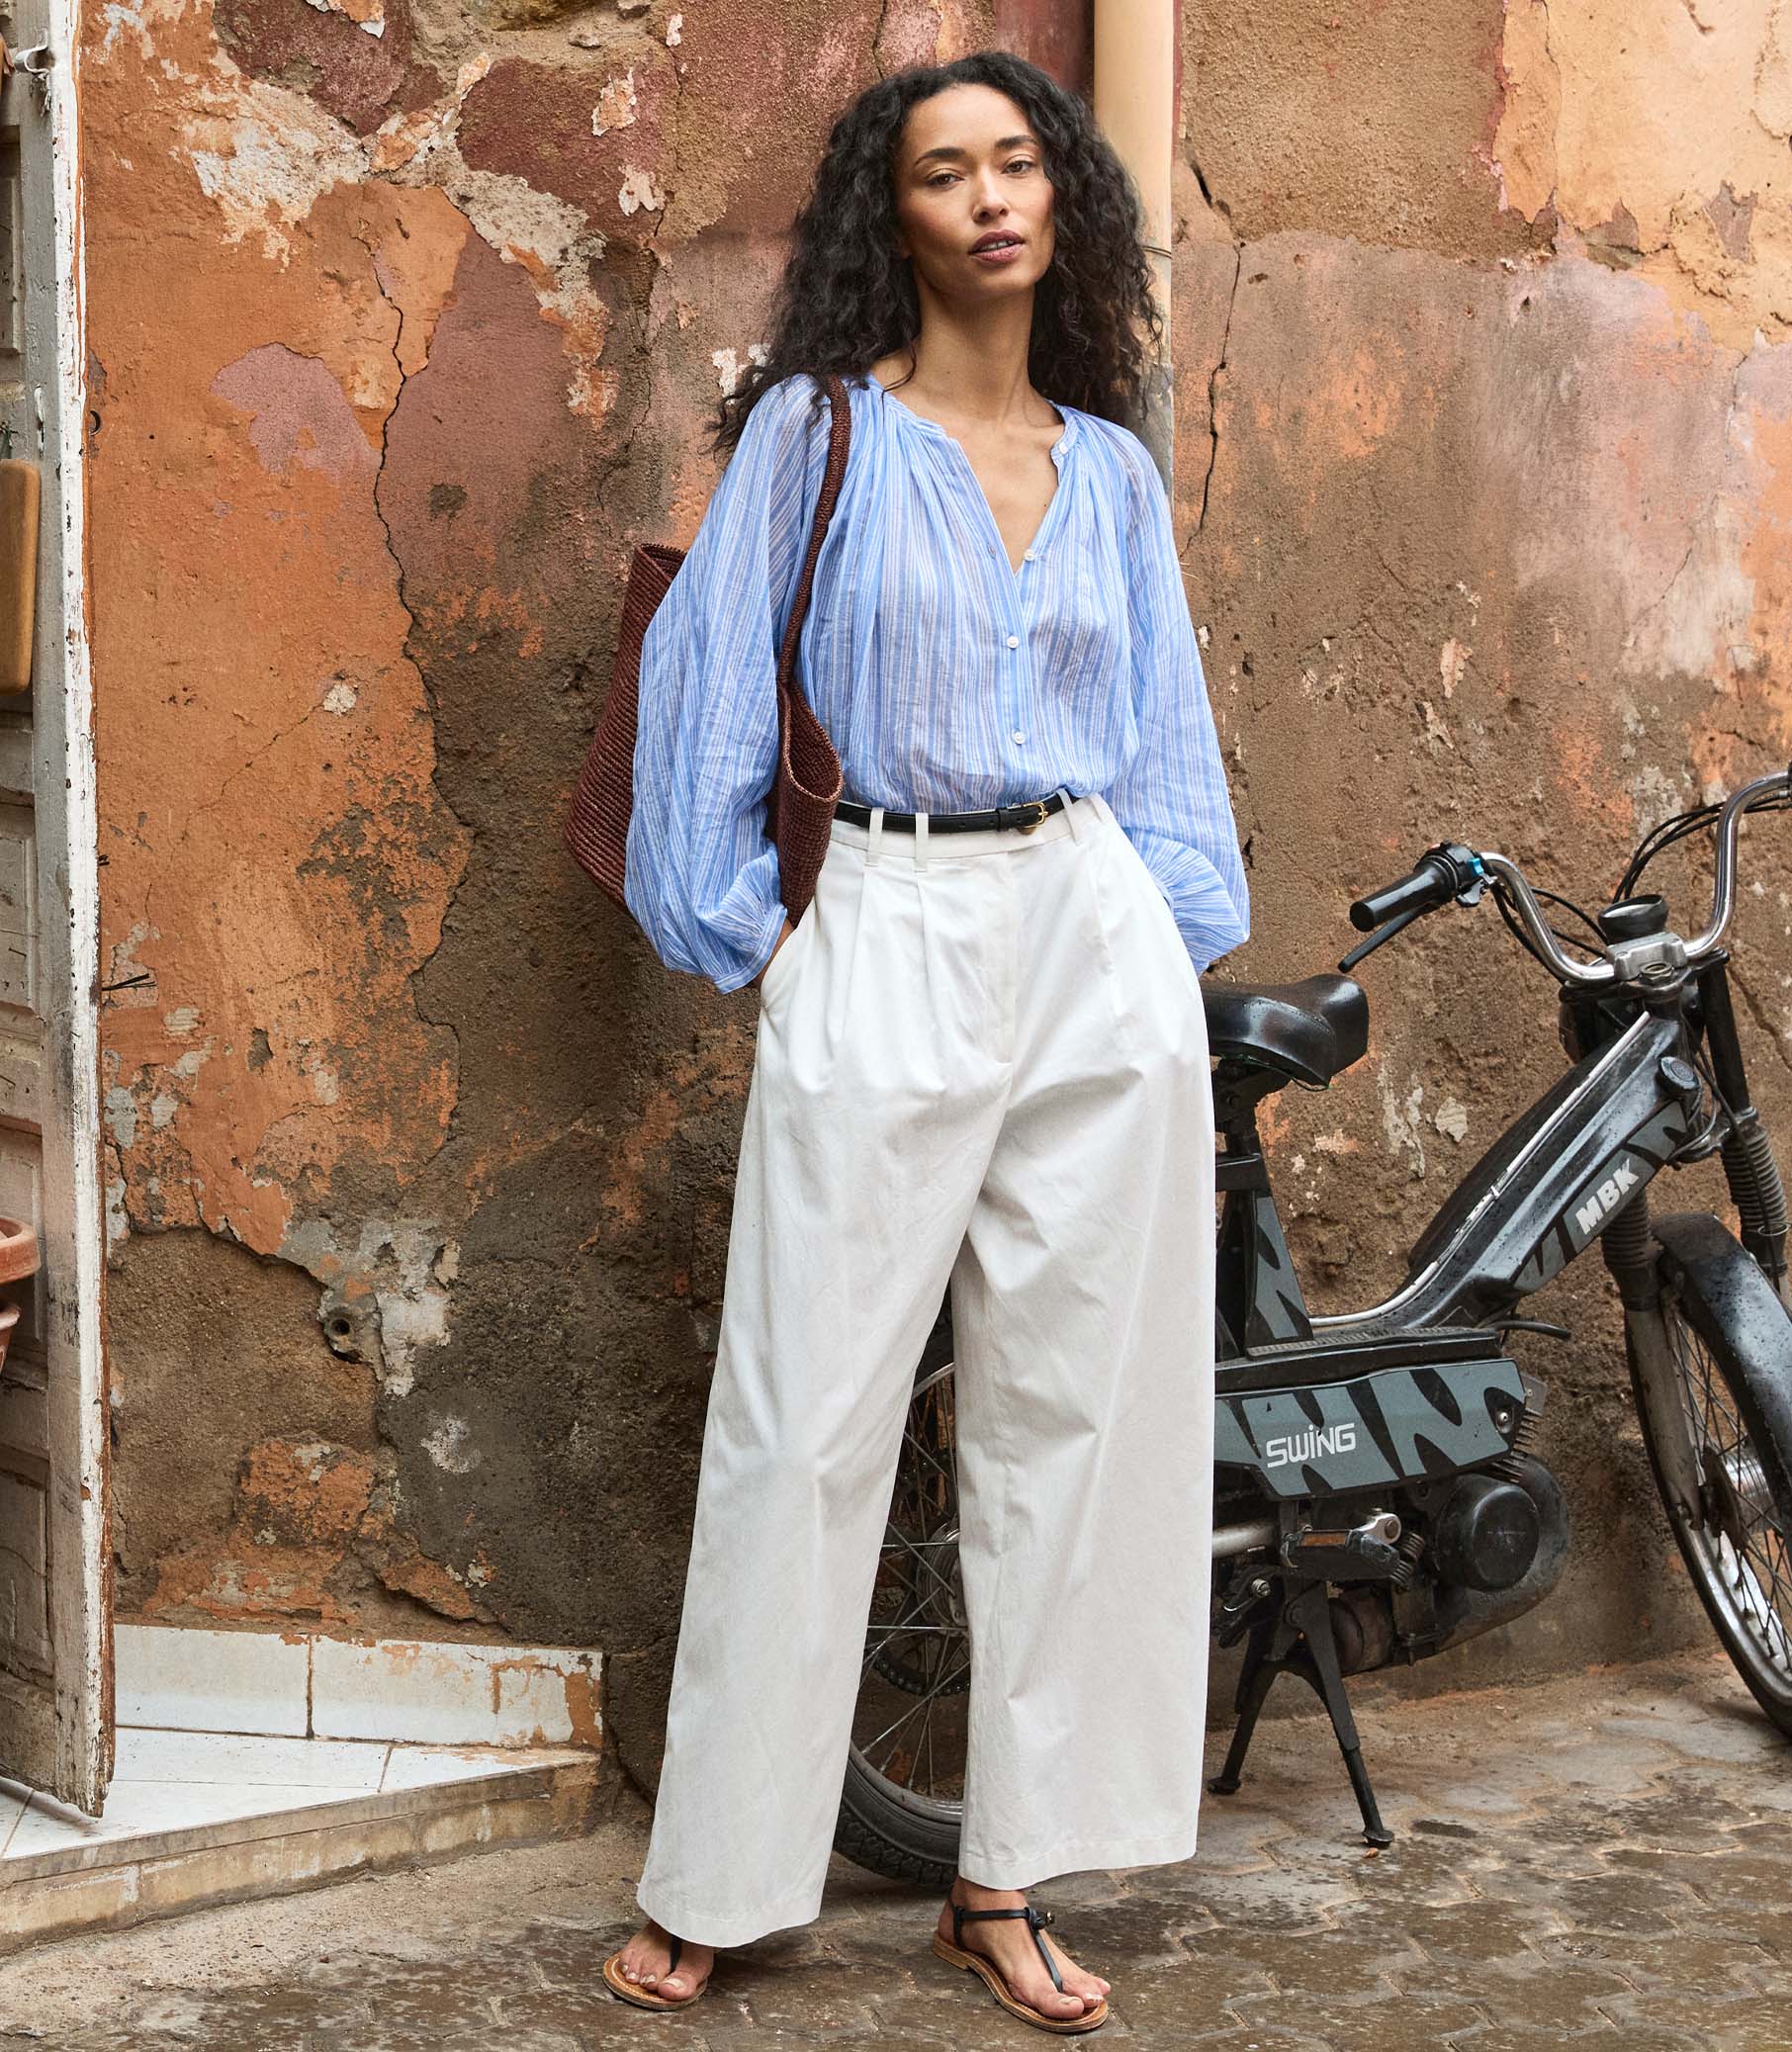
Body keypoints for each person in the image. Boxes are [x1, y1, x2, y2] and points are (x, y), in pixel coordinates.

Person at [604, 47, 1248, 2035]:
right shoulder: (819, 434)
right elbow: (707, 688)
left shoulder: (1110, 469)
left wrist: (1159, 958)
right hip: (879, 912)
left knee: (1081, 1423)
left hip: (1086, 930)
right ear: (890, 218)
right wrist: (765, 941)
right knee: (806, 1418)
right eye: (944, 169)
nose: (988, 196)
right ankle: (720, 1880)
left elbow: (1164, 746)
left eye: (1018, 162)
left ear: (1063, 201)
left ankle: (1005, 1877)